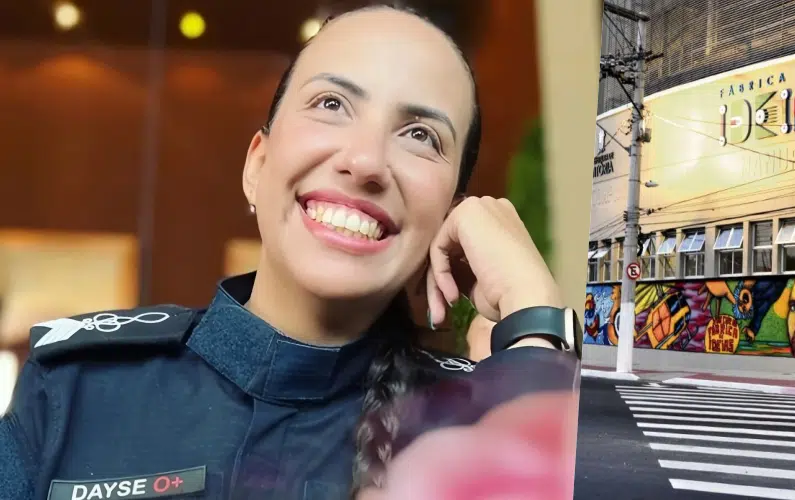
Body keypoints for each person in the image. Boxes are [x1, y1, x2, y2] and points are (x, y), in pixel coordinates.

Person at [0, 6, 580, 499]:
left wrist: (534, 314)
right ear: (257, 166)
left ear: (450, 215)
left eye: (421, 136)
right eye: (331, 103)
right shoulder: (72, 392)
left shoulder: (477, 426)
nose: (366, 161)